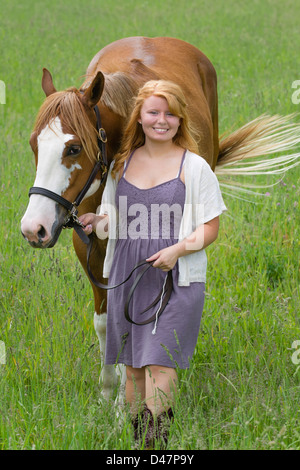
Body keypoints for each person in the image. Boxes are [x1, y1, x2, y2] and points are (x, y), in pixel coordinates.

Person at [79, 80, 226, 448]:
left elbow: (211, 227)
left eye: (170, 114)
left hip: (176, 277)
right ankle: (137, 444)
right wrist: (96, 223)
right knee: (132, 370)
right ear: (140, 118)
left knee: (161, 364)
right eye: (153, 113)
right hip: (128, 274)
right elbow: (112, 221)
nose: (162, 120)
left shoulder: (195, 168)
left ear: (180, 119)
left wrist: (177, 250)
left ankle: (154, 447)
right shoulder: (120, 164)